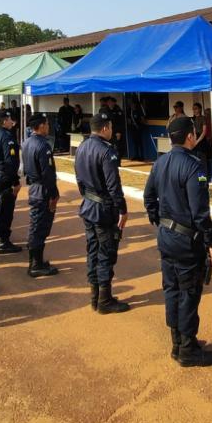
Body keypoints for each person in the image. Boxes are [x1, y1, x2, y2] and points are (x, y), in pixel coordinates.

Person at [143, 117, 212, 367]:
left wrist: (161, 222)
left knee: (172, 289)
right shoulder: (193, 166)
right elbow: (200, 214)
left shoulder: (160, 162)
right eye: (194, 133)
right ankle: (187, 349)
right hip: (187, 242)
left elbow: (148, 197)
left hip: (166, 237)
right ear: (189, 136)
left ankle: (177, 342)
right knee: (188, 293)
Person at [74, 109, 130, 314]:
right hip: (103, 209)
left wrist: (88, 196)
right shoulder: (107, 151)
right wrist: (122, 209)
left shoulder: (82, 146)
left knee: (93, 251)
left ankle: (95, 297)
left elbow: (79, 179)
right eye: (111, 127)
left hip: (88, 205)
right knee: (106, 253)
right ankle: (104, 301)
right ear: (105, 128)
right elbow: (114, 186)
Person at [23, 112, 60, 277]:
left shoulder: (27, 142)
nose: (48, 127)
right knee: (40, 227)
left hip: (34, 187)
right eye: (47, 124)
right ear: (41, 126)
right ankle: (35, 265)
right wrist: (54, 194)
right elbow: (48, 174)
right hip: (43, 190)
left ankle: (37, 261)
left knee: (37, 226)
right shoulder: (43, 146)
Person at [0, 109, 22, 255]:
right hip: (4, 177)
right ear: (4, 121)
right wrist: (16, 181)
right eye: (9, 119)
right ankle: (3, 242)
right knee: (5, 210)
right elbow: (10, 162)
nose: (11, 122)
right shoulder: (7, 137)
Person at [191, 102, 212, 168]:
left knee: (203, 160)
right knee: (196, 160)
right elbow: (194, 131)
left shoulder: (203, 118)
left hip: (202, 140)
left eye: (196, 109)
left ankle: (204, 174)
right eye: (193, 109)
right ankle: (198, 174)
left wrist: (197, 141)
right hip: (196, 139)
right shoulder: (194, 119)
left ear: (200, 109)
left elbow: (204, 132)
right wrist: (194, 140)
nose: (194, 110)